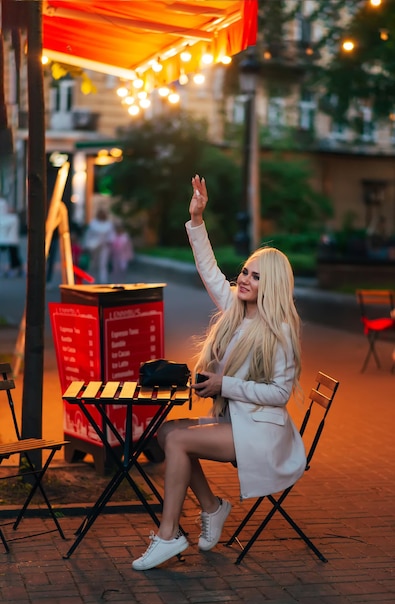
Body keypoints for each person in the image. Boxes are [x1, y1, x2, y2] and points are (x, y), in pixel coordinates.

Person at [131, 174, 306, 571]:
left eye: (256, 277)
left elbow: (279, 394)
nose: (245, 279)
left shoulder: (279, 331)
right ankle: (212, 507)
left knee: (177, 443)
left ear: (273, 286)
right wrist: (197, 218)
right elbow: (210, 269)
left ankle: (168, 535)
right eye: (245, 271)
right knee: (168, 432)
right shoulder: (237, 311)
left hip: (262, 435)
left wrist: (224, 384)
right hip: (240, 423)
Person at [83, 207, 115, 283]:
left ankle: (103, 281)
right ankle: (92, 280)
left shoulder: (109, 224)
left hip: (104, 247)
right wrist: (87, 245)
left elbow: (111, 236)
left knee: (103, 265)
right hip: (93, 247)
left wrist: (109, 242)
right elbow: (88, 235)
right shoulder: (93, 223)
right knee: (94, 264)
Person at [0, 198, 23, 277]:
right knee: (13, 252)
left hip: (7, 236)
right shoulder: (11, 218)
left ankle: (16, 267)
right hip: (9, 237)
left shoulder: (3, 204)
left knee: (12, 252)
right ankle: (16, 267)